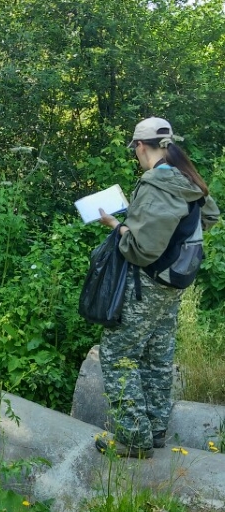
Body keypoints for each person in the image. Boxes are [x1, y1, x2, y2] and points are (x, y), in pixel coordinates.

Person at [94, 117, 220, 458]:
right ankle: (156, 429)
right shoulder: (185, 177)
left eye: (134, 148)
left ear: (140, 145)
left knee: (117, 353)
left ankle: (134, 439)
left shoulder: (155, 185)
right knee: (156, 354)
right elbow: (209, 216)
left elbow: (140, 249)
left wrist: (118, 227)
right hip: (174, 283)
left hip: (147, 284)